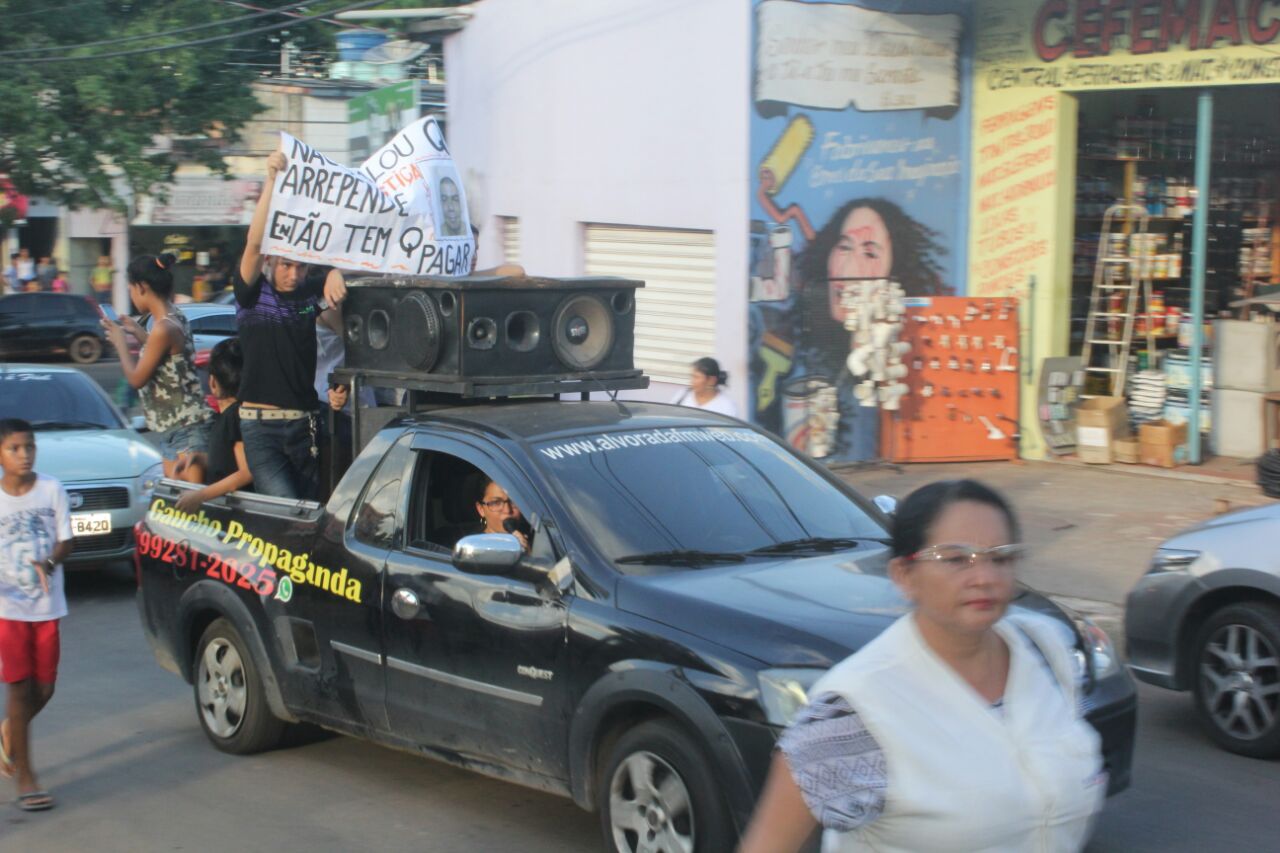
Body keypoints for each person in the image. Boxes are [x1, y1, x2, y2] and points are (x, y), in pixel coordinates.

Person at [739, 480, 1106, 853]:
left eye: (1000, 557)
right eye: (955, 559)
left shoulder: (1046, 650)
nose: (984, 577)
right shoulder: (854, 710)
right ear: (904, 575)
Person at [235, 149, 347, 500]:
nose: (293, 273)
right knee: (285, 511)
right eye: (285, 265)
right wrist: (271, 180)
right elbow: (254, 241)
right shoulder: (252, 293)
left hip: (305, 424)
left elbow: (347, 333)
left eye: (301, 266)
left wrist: (335, 273)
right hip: (260, 427)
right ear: (269, 262)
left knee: (310, 512)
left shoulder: (309, 292)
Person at [0, 418, 72, 812]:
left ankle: (10, 731)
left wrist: (49, 561)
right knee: (18, 687)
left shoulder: (51, 489)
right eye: (14, 448)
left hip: (47, 606)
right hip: (7, 609)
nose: (24, 454)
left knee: (44, 689)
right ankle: (26, 778)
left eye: (29, 447)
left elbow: (66, 541)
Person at [101, 253, 211, 484]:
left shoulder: (163, 328)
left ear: (142, 287)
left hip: (185, 430)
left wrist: (120, 342)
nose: (131, 296)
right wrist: (137, 332)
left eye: (131, 289)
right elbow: (167, 357)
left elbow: (136, 379)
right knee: (178, 510)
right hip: (176, 428)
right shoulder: (174, 317)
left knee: (190, 511)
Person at [175, 339, 253, 512]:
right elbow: (229, 461)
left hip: (238, 515)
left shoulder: (234, 417)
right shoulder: (229, 416)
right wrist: (202, 458)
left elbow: (246, 472)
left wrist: (201, 495)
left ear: (212, 382)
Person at [475, 476, 530, 552]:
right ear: (481, 509)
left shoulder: (537, 538)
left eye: (514, 502)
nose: (507, 510)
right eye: (496, 502)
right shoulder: (475, 548)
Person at [670, 357, 739, 417]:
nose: (692, 381)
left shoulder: (726, 406)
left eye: (696, 377)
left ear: (711, 380)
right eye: (691, 376)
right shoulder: (683, 395)